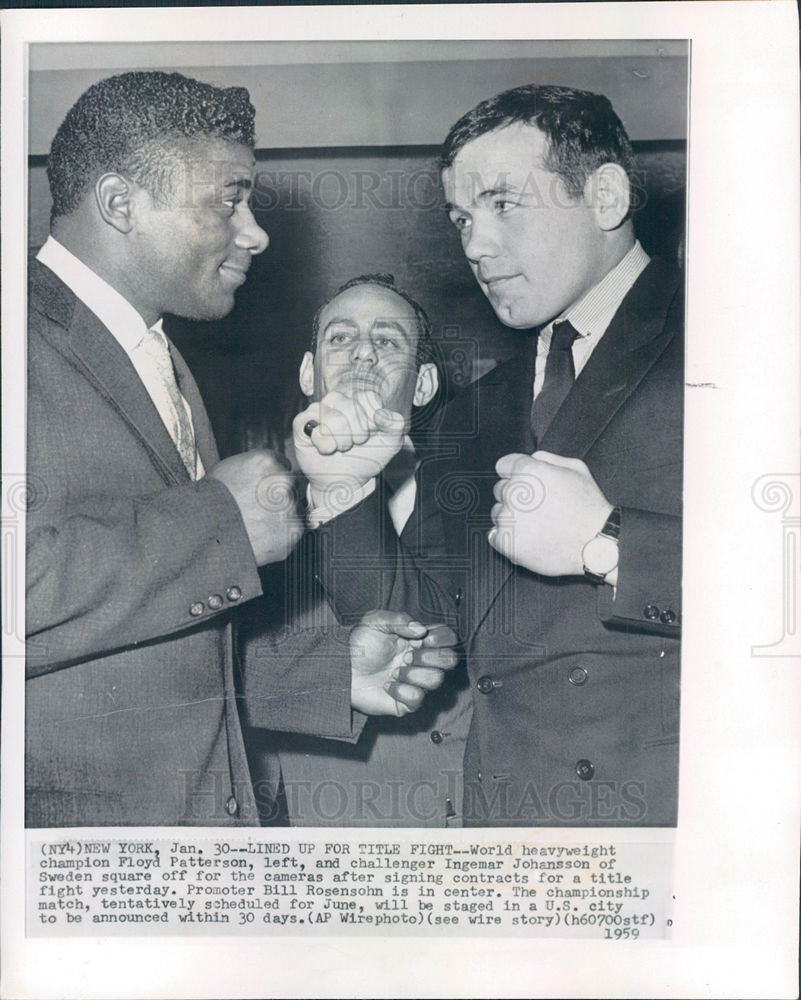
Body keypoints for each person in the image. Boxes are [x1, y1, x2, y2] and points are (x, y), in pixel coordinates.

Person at [26, 71, 456, 828]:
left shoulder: (159, 356)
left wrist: (326, 674)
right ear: (122, 204)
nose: (255, 230)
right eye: (228, 198)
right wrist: (221, 525)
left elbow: (134, 653)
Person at [308, 84, 683, 827]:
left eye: (503, 204)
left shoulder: (748, 336)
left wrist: (608, 542)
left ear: (604, 195)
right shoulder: (473, 412)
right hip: (506, 831)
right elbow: (412, 626)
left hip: (672, 832)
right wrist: (345, 489)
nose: (474, 245)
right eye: (461, 218)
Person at [241, 275, 473, 827]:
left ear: (423, 385)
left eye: (389, 341)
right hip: (337, 838)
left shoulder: (482, 496)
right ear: (308, 371)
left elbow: (425, 637)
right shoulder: (252, 513)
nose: (363, 351)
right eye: (340, 339)